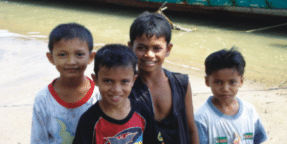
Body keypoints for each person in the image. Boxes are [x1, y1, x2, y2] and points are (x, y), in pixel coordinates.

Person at [128, 11, 199, 144]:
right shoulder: (126, 88)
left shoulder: (181, 84)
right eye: (141, 48)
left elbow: (191, 129)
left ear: (168, 49)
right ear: (130, 47)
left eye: (157, 48)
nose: (149, 54)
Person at [73, 44, 164, 144]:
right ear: (96, 80)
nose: (116, 90)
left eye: (124, 81)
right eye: (108, 81)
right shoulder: (89, 120)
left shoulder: (142, 112)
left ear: (133, 80)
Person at [30, 23, 101, 143]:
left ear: (90, 57)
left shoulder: (99, 95)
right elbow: (39, 140)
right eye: (62, 55)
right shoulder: (43, 99)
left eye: (79, 54)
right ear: (51, 58)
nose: (71, 62)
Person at [195, 48, 268, 144]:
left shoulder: (250, 111)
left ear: (241, 81)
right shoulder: (201, 118)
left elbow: (257, 140)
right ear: (207, 81)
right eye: (218, 82)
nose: (225, 89)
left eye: (232, 82)